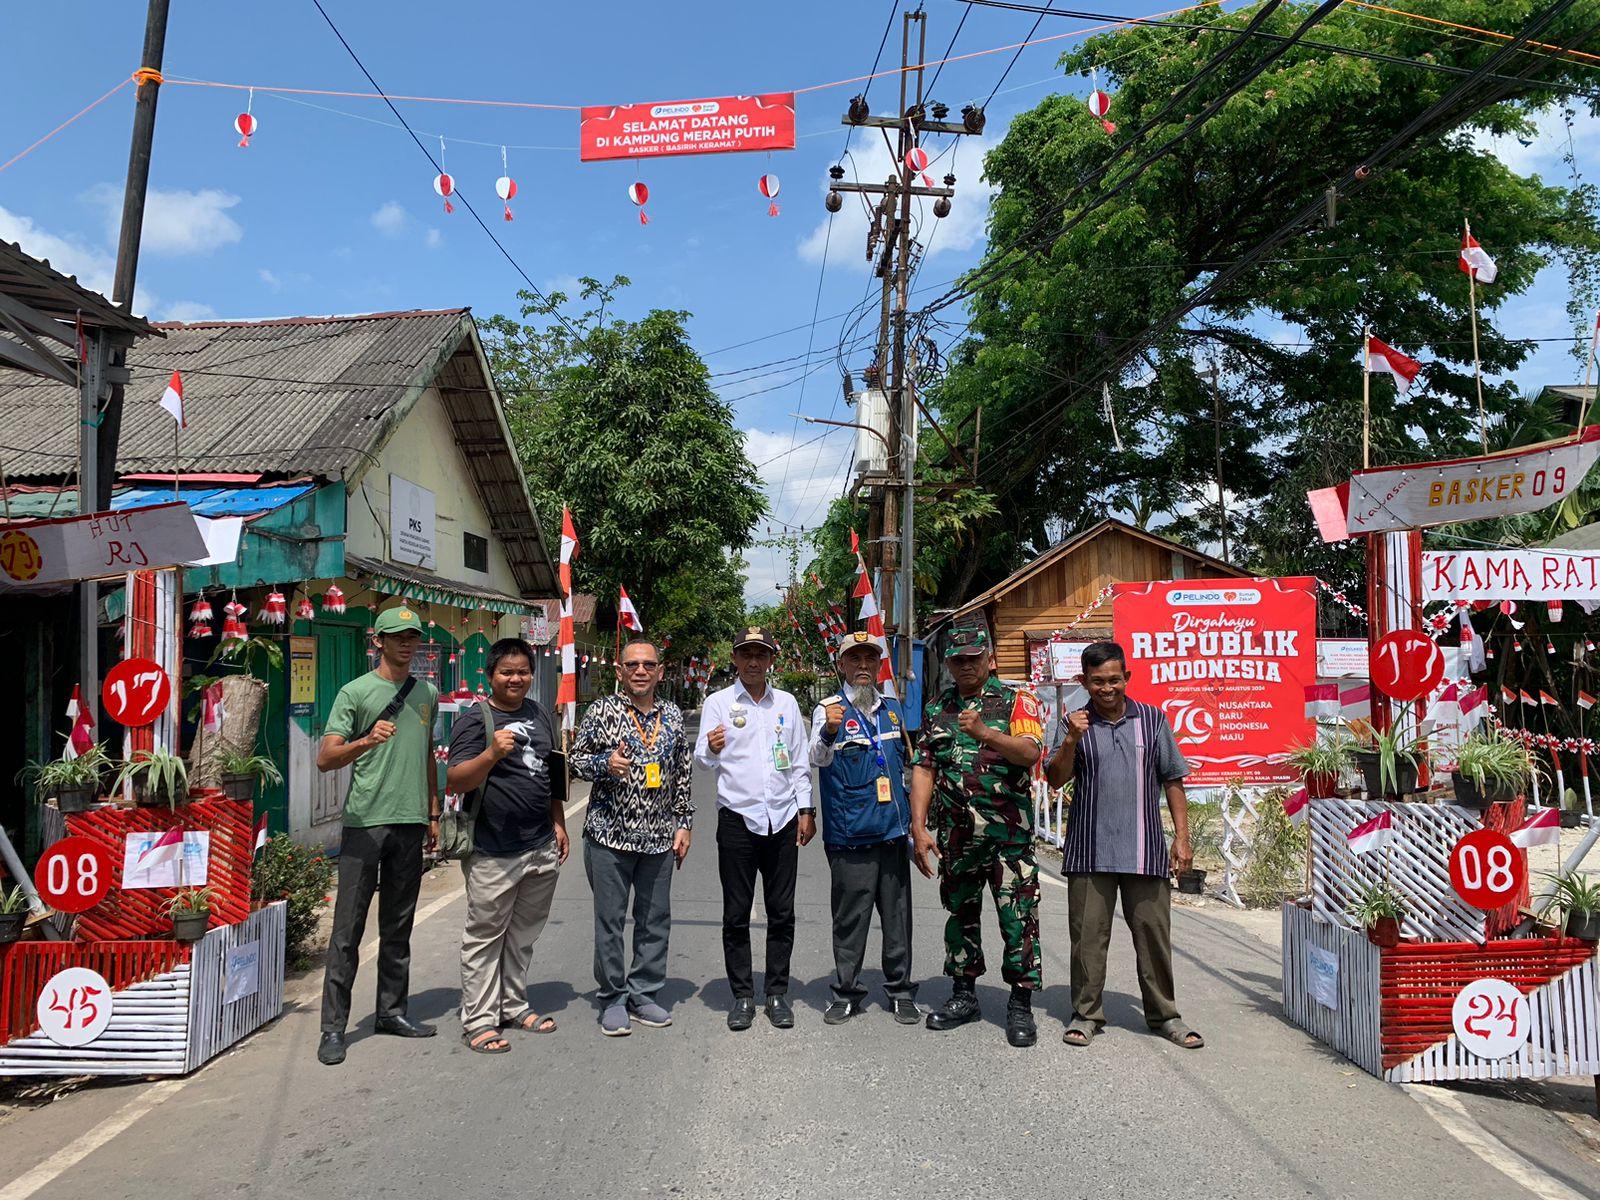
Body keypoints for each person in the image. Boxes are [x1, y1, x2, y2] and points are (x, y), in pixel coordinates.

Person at [1044, 640, 1204, 1050]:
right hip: (1089, 849)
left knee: (1153, 935)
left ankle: (1165, 1015)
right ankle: (1086, 1013)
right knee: (1088, 937)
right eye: (1097, 681)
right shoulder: (1071, 723)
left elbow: (1173, 779)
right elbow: (1055, 779)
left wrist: (1182, 840)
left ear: (1127, 678)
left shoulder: (1152, 721)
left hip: (1145, 849)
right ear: (1084, 681)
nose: (1107, 688)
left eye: (1114, 679)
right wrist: (1070, 741)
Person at [909, 615, 1045, 1048]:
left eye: (972, 657)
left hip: (1009, 839)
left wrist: (987, 733)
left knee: (1017, 919)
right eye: (956, 660)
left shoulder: (1017, 701)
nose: (965, 666)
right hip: (957, 838)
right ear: (948, 664)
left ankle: (1020, 1004)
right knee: (961, 915)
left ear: (989, 658)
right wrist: (918, 826)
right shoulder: (937, 708)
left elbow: (1030, 752)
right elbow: (924, 768)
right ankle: (964, 995)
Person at [314, 606, 440, 1066]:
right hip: (365, 822)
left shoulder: (426, 691)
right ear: (378, 641)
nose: (406, 644)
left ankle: (391, 1010)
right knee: (347, 930)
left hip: (410, 822)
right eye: (397, 636)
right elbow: (326, 758)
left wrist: (432, 811)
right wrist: (365, 741)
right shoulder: (356, 692)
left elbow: (426, 753)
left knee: (398, 926)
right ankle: (333, 1028)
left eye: (413, 637)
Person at [446, 637, 569, 1055]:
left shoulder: (537, 713)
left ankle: (514, 1006)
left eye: (522, 671)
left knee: (522, 935)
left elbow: (553, 772)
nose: (515, 678)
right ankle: (479, 1020)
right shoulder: (475, 719)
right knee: (484, 936)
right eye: (506, 672)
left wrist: (558, 823)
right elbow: (457, 779)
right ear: (491, 675)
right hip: (492, 850)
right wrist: (492, 754)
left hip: (538, 844)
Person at [571, 635, 693, 1037]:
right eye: (632, 665)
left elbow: (682, 774)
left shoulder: (673, 715)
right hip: (609, 836)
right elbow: (575, 761)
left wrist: (684, 822)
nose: (640, 671)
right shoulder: (602, 712)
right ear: (620, 671)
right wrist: (606, 762)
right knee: (610, 921)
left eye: (648, 665)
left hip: (659, 838)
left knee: (654, 920)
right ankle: (612, 998)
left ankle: (644, 993)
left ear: (659, 671)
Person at [694, 626, 813, 1031]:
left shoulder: (787, 703)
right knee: (736, 913)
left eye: (760, 654)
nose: (753, 662)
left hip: (781, 819)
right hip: (737, 820)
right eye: (746, 654)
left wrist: (806, 809)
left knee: (782, 912)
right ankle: (743, 995)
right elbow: (703, 761)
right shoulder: (719, 703)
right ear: (735, 658)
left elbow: (798, 762)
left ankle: (777, 992)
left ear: (771, 660)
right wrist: (710, 747)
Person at [808, 631, 918, 1025]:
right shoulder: (828, 709)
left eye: (870, 660)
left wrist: (914, 826)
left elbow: (904, 766)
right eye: (854, 660)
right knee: (850, 920)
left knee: (897, 918)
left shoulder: (891, 709)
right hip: (850, 836)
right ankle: (845, 991)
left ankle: (901, 991)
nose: (863, 667)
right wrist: (829, 732)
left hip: (891, 833)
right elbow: (816, 759)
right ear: (842, 666)